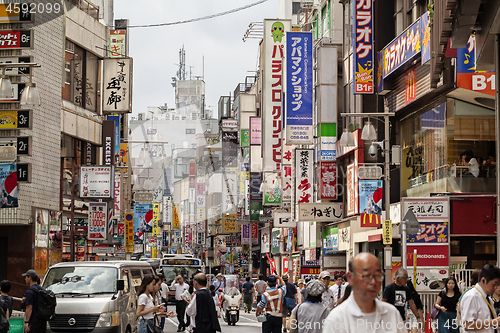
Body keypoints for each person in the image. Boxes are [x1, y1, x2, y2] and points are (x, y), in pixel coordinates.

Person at [322, 252, 406, 333]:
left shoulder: (391, 313)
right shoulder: (337, 318)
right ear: (350, 278)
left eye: (377, 275)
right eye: (366, 276)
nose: (373, 282)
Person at [460, 264, 500, 332]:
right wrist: (494, 322)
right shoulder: (472, 296)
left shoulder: (487, 298)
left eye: (498, 284)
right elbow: (467, 325)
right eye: (494, 284)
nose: (495, 287)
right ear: (483, 280)